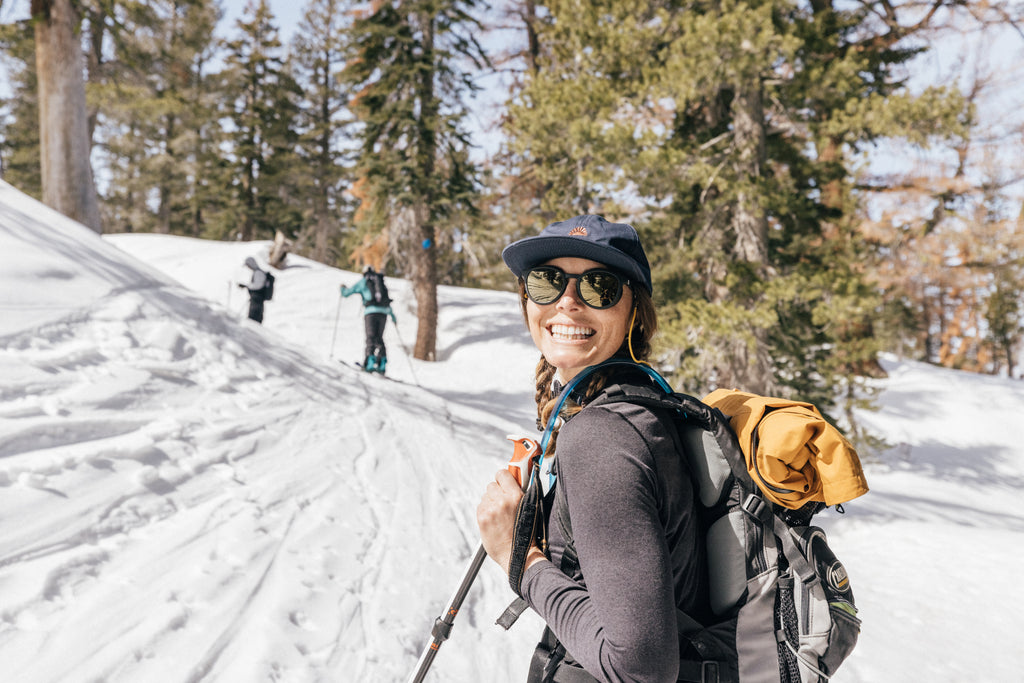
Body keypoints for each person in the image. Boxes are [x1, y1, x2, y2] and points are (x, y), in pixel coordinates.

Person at [476, 215, 710, 683]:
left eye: (599, 287)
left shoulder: (603, 433)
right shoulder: (642, 407)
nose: (566, 302)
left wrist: (518, 558)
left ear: (634, 312)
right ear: (526, 299)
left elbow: (640, 667)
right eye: (546, 281)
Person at [341, 265, 397, 373]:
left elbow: (347, 293)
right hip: (383, 313)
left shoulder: (364, 281)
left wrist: (342, 289)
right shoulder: (380, 282)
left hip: (370, 312)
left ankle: (369, 363)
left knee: (370, 337)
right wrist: (393, 317)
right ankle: (382, 363)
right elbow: (385, 301)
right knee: (379, 338)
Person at [239, 256, 271, 324]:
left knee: (254, 315)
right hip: (257, 297)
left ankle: (253, 328)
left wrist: (246, 286)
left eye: (248, 265)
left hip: (257, 297)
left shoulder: (258, 273)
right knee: (255, 315)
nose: (248, 267)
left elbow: (258, 285)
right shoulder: (257, 272)